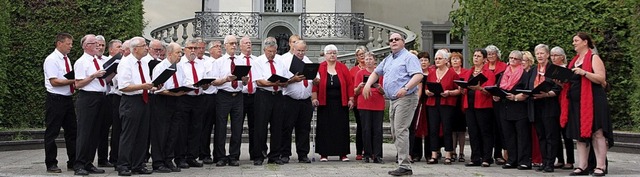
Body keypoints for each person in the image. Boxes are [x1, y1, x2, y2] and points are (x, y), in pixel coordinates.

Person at [362, 33, 423, 176]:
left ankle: (405, 165)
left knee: (401, 130)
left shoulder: (409, 57)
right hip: (394, 99)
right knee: (396, 132)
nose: (393, 41)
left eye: (397, 39)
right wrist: (368, 85)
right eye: (391, 40)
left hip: (406, 98)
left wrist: (406, 88)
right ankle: (403, 163)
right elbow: (376, 72)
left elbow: (418, 75)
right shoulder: (389, 59)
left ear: (403, 42)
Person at [561, 32, 612, 176]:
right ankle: (582, 166)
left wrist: (584, 72)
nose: (573, 43)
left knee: (597, 132)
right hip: (577, 103)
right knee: (580, 135)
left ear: (585, 42)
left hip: (593, 101)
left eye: (576, 40)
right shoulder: (574, 60)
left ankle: (600, 166)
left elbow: (601, 79)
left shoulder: (594, 58)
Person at [115, 36, 156, 176]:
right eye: (144, 45)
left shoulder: (143, 62)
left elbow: (146, 81)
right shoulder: (125, 63)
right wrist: (143, 86)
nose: (147, 48)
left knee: (142, 134)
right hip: (130, 101)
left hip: (144, 99)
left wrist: (151, 87)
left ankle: (138, 164)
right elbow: (123, 86)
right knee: (129, 134)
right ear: (135, 48)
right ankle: (123, 165)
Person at [251, 37, 293, 165]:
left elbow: (286, 79)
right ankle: (258, 155)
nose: (272, 54)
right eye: (269, 51)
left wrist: (284, 82)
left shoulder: (280, 61)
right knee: (260, 126)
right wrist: (273, 82)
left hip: (278, 95)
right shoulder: (258, 61)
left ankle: (274, 155)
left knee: (277, 126)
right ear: (264, 50)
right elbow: (259, 81)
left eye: (274, 51)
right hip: (264, 95)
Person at [72, 34, 107, 175]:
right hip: (88, 98)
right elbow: (78, 84)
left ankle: (88, 162)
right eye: (94, 43)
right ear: (86, 46)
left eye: (98, 44)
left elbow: (102, 79)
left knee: (95, 132)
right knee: (85, 132)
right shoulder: (82, 62)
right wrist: (93, 75)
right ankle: (79, 164)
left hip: (100, 97)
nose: (98, 46)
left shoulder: (96, 60)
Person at [312, 44, 354, 162]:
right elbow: (315, 85)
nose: (332, 55)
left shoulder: (343, 67)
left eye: (334, 53)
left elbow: (350, 84)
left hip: (340, 103)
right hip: (325, 103)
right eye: (330, 53)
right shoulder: (320, 68)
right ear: (325, 55)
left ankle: (343, 154)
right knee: (325, 128)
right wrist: (314, 98)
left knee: (341, 128)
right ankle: (324, 154)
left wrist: (351, 99)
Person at [43, 32, 78, 173]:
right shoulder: (52, 60)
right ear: (59, 43)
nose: (71, 46)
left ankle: (73, 161)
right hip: (55, 99)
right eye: (68, 43)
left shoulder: (66, 59)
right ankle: (51, 163)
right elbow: (54, 81)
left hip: (67, 98)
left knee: (72, 131)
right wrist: (74, 80)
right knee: (52, 132)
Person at [210, 35, 247, 167]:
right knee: (221, 127)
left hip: (238, 95)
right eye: (231, 43)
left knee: (237, 127)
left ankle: (234, 156)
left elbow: (245, 79)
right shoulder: (219, 62)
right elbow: (214, 81)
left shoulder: (241, 61)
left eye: (235, 43)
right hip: (224, 95)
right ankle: (220, 156)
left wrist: (244, 80)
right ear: (225, 45)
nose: (234, 46)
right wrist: (226, 79)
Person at [150, 42, 186, 173]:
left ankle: (168, 159)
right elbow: (156, 88)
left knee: (173, 132)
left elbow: (184, 82)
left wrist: (186, 89)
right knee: (161, 132)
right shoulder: (160, 67)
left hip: (177, 101)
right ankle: (158, 162)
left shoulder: (179, 67)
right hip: (163, 101)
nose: (180, 55)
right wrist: (172, 93)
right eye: (178, 53)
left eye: (181, 53)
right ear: (169, 54)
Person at [493, 50, 531, 170]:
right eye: (510, 58)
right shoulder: (504, 73)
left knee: (522, 135)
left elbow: (527, 91)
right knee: (508, 135)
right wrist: (496, 95)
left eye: (515, 59)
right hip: (505, 107)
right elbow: (498, 87)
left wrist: (515, 97)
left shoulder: (525, 74)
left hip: (519, 108)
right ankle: (511, 159)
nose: (512, 60)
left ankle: (524, 160)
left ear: (520, 61)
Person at [528, 44, 562, 173]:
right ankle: (544, 161)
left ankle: (550, 163)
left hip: (549, 105)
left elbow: (557, 89)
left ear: (547, 55)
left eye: (542, 53)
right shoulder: (532, 70)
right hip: (535, 105)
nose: (539, 56)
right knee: (541, 135)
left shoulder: (553, 69)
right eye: (537, 54)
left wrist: (546, 94)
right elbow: (527, 85)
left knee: (550, 135)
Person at [174, 39, 207, 168]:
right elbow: (179, 82)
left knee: (196, 128)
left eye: (195, 48)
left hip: (198, 98)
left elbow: (203, 80)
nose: (193, 51)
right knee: (183, 129)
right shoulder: (179, 64)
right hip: (185, 98)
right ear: (184, 49)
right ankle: (180, 157)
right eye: (190, 48)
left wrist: (205, 84)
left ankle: (192, 156)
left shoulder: (200, 64)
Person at [424, 49, 461, 165]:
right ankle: (434, 154)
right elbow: (426, 88)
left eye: (439, 58)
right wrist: (427, 92)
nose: (437, 61)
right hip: (433, 102)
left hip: (447, 103)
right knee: (433, 129)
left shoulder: (452, 73)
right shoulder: (431, 73)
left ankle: (448, 154)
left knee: (447, 128)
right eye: (436, 59)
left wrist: (449, 92)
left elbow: (459, 90)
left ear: (446, 60)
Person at [280, 40, 315, 163]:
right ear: (293, 49)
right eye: (298, 50)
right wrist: (292, 79)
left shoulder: (308, 61)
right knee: (287, 127)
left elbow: (317, 80)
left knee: (304, 128)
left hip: (305, 100)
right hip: (290, 100)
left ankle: (303, 154)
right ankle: (285, 154)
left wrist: (315, 79)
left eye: (302, 50)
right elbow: (281, 82)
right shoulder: (285, 62)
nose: (300, 53)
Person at [462, 49, 496, 167]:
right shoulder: (469, 72)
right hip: (469, 105)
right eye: (474, 55)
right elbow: (465, 87)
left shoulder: (488, 73)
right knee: (473, 132)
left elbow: (490, 91)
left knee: (485, 132)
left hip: (483, 106)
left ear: (484, 59)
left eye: (478, 56)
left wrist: (480, 88)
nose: (475, 58)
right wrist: (462, 88)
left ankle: (487, 157)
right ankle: (475, 157)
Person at [353, 52, 385, 163]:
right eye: (366, 59)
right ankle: (366, 153)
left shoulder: (380, 73)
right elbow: (355, 92)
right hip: (364, 103)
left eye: (370, 59)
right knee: (366, 129)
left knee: (377, 130)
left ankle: (377, 155)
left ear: (375, 60)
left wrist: (379, 87)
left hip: (378, 103)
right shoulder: (360, 73)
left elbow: (385, 91)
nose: (368, 61)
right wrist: (360, 86)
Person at [550, 46, 575, 170]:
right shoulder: (551, 69)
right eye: (552, 55)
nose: (553, 58)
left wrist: (561, 84)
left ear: (562, 57)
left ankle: (570, 160)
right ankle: (560, 159)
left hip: (565, 103)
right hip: (554, 103)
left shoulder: (566, 69)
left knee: (567, 134)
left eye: (556, 55)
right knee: (556, 133)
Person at [199, 40, 222, 165]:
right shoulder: (206, 63)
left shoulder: (224, 61)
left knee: (220, 126)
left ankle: (219, 154)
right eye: (216, 47)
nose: (219, 48)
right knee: (206, 127)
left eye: (220, 46)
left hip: (222, 96)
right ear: (210, 50)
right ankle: (204, 153)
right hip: (208, 96)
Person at [484, 45, 508, 165]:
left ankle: (498, 154)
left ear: (497, 54)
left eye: (493, 54)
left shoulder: (504, 66)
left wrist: (498, 94)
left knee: (499, 127)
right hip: (485, 100)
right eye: (488, 54)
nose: (491, 56)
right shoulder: (484, 67)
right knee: (488, 127)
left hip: (499, 100)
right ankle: (487, 154)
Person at [522, 50, 542, 168]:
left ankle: (537, 157)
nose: (522, 63)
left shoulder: (533, 71)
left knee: (535, 133)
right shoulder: (519, 72)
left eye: (524, 60)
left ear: (529, 61)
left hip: (532, 104)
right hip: (522, 106)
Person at [410, 51, 432, 162]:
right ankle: (416, 153)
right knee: (416, 127)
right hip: (418, 102)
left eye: (425, 60)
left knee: (429, 128)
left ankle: (429, 154)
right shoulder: (416, 73)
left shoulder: (432, 73)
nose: (423, 62)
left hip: (430, 103)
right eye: (421, 60)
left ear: (429, 62)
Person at [350, 45, 369, 160]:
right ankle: (359, 150)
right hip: (358, 101)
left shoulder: (372, 69)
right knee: (361, 126)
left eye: (363, 54)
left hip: (371, 100)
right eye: (359, 55)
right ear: (356, 57)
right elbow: (350, 87)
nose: (361, 56)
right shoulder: (353, 70)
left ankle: (369, 149)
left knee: (370, 127)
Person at [449, 52, 468, 163]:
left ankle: (461, 152)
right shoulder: (449, 72)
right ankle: (453, 151)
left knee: (461, 129)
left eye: (457, 59)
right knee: (452, 129)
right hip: (451, 101)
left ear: (461, 61)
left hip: (462, 101)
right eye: (453, 59)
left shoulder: (466, 72)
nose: (455, 61)